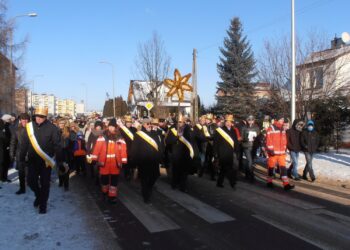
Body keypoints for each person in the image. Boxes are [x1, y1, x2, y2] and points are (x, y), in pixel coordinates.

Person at [19, 107, 63, 214]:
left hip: (45, 162)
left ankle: (43, 205)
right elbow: (24, 144)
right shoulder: (29, 127)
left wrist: (60, 161)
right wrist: (22, 157)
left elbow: (57, 146)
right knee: (30, 181)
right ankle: (39, 196)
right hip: (32, 160)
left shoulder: (52, 128)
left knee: (45, 184)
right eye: (37, 116)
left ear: (45, 117)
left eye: (41, 117)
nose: (38, 119)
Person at [91, 118, 127, 203]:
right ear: (108, 126)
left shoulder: (120, 137)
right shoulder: (103, 136)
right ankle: (104, 193)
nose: (111, 128)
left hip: (115, 164)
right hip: (104, 163)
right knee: (104, 181)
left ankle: (112, 197)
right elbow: (97, 148)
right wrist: (94, 158)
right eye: (110, 126)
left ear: (115, 127)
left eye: (113, 127)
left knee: (114, 182)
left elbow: (123, 150)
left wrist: (124, 161)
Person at [131, 118, 162, 203]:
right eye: (147, 124)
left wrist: (160, 158)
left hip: (153, 161)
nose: (149, 125)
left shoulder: (155, 134)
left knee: (154, 177)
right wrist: (134, 162)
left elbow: (159, 147)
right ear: (144, 124)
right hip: (143, 162)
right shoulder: (138, 135)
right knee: (144, 179)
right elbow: (134, 149)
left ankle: (149, 188)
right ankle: (146, 197)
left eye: (150, 123)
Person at [166, 115, 198, 192]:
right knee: (176, 171)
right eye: (179, 122)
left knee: (184, 172)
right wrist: (176, 137)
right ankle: (174, 184)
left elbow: (192, 141)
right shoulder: (173, 129)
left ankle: (183, 187)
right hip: (176, 154)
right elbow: (168, 141)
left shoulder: (188, 129)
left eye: (183, 122)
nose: (181, 123)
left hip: (185, 154)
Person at [265, 116, 294, 191]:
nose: (282, 120)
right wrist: (270, 149)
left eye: (282, 119)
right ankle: (269, 181)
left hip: (281, 153)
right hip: (273, 152)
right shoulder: (271, 128)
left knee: (283, 168)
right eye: (280, 119)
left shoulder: (283, 128)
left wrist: (285, 149)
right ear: (276, 120)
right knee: (271, 167)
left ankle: (286, 184)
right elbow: (268, 139)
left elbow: (284, 140)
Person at [213, 114, 240, 188]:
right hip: (222, 153)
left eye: (230, 122)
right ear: (224, 122)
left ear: (232, 123)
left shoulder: (233, 131)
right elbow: (215, 143)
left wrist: (237, 151)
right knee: (225, 169)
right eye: (227, 122)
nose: (228, 123)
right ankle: (230, 182)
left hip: (230, 153)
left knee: (228, 168)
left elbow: (235, 142)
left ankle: (224, 182)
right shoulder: (219, 131)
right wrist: (215, 153)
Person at [10, 113, 30, 194]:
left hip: (31, 154)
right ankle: (22, 188)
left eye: (26, 119)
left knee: (30, 172)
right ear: (20, 120)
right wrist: (12, 154)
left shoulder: (33, 129)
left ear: (28, 120)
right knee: (21, 173)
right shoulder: (16, 130)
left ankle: (30, 183)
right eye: (23, 119)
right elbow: (13, 143)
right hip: (20, 154)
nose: (24, 121)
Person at [241, 115, 260, 182]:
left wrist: (256, 139)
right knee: (249, 161)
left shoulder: (256, 127)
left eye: (252, 120)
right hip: (246, 146)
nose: (250, 121)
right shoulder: (244, 127)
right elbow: (241, 137)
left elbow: (258, 136)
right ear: (247, 120)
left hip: (253, 146)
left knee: (250, 161)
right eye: (249, 120)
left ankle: (247, 173)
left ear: (253, 120)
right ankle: (251, 175)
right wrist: (246, 138)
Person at [119, 115, 137, 181]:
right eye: (127, 122)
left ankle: (131, 172)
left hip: (132, 147)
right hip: (125, 148)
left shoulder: (134, 129)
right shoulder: (122, 129)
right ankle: (127, 174)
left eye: (130, 122)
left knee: (132, 161)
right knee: (126, 162)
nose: (129, 123)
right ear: (125, 123)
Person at [0, 114, 12, 183]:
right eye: (9, 120)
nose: (10, 121)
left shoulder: (7, 125)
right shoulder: (1, 125)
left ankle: (4, 177)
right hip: (1, 147)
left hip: (6, 147)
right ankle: (1, 177)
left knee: (6, 162)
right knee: (1, 162)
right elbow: (3, 136)